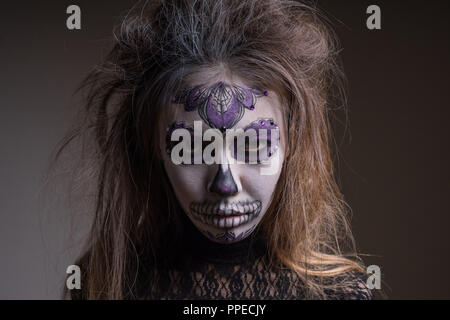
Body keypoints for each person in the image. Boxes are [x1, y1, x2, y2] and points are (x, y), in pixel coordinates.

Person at [61, 0, 373, 299]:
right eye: (193, 147)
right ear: (153, 144)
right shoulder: (100, 286)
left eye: (253, 145)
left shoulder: (341, 295)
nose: (225, 184)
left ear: (291, 142)